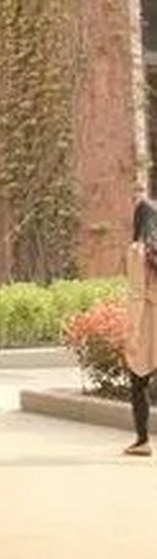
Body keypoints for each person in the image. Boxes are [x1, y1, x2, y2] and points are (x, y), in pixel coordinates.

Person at [125, 192, 157, 455]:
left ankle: (143, 440)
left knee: (139, 379)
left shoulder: (137, 251)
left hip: (148, 320)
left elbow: (137, 294)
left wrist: (133, 332)